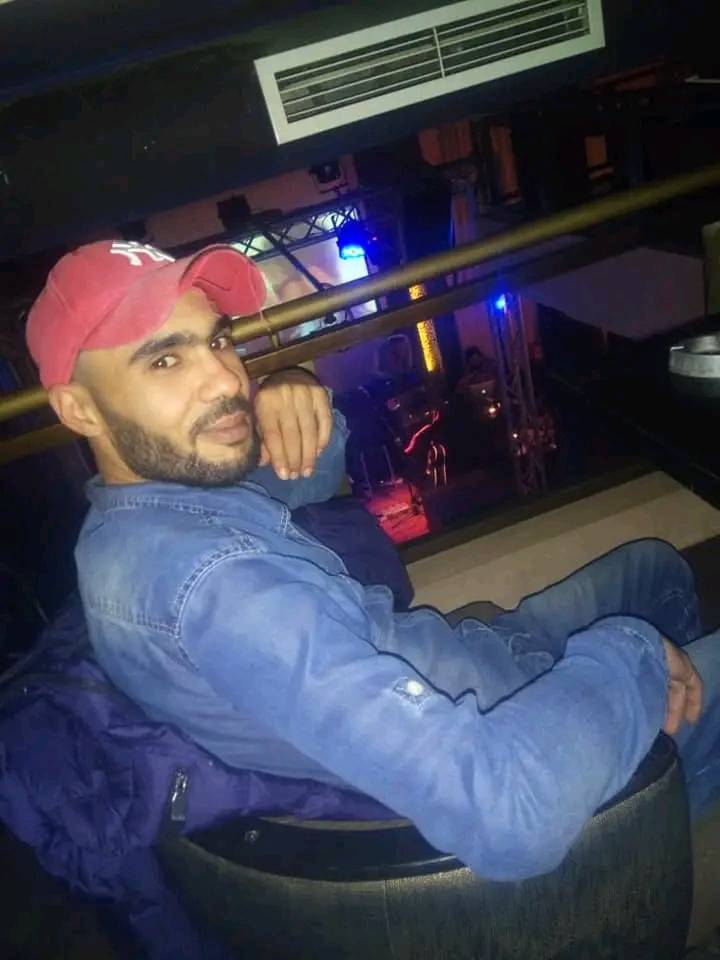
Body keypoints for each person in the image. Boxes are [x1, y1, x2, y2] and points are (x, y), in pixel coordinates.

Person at [25, 239, 719, 883]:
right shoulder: (218, 589)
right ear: (79, 409)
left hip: (462, 664)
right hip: (507, 728)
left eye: (218, 340)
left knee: (652, 569)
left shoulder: (141, 515)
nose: (225, 380)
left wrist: (295, 386)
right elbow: (507, 810)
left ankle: (679, 770)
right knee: (646, 641)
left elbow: (304, 479)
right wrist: (629, 659)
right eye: (164, 360)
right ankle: (660, 817)